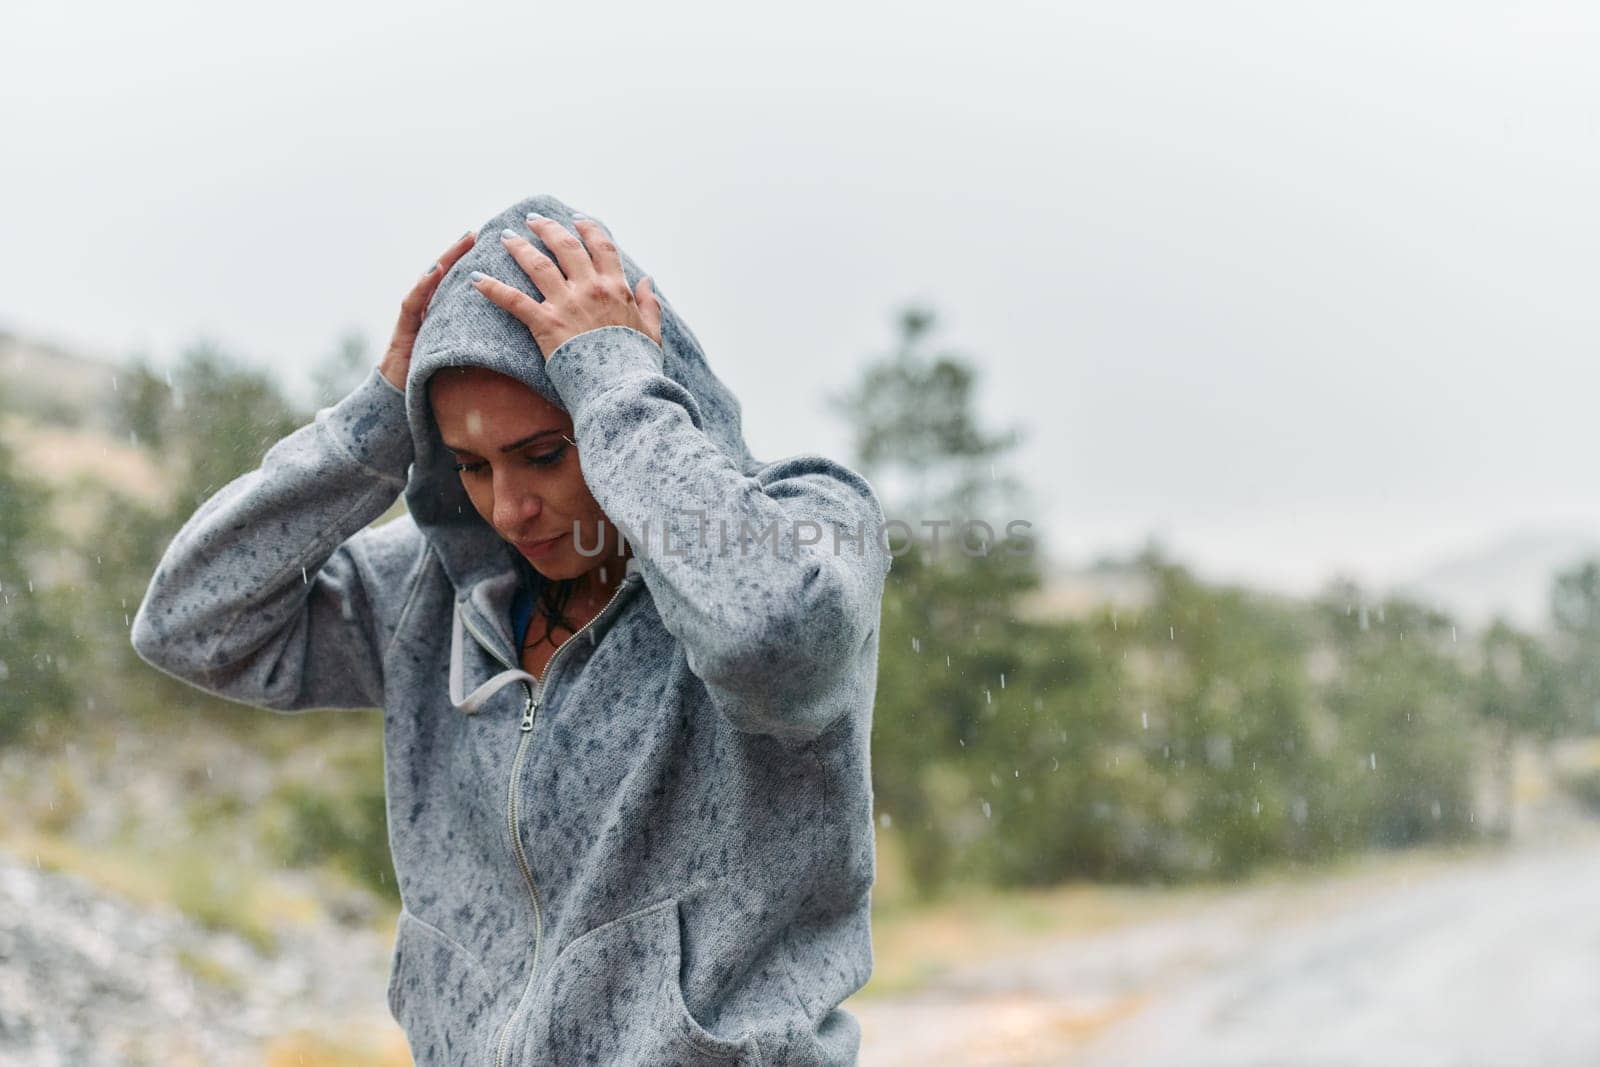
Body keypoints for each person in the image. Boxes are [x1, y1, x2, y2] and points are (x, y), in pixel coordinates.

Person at [130, 193, 892, 1066]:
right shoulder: (439, 591)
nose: (510, 507)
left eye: (543, 453)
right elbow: (188, 621)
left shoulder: (808, 526)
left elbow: (769, 635)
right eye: (470, 465)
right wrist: (375, 429)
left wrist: (613, 386)